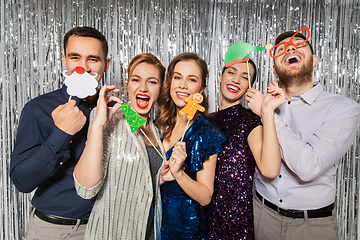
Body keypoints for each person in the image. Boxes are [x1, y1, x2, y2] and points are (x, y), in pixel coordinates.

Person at [246, 27, 360, 240]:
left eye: (298, 45)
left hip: (313, 226)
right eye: (281, 49)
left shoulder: (344, 108)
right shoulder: (257, 102)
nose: (290, 48)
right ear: (274, 69)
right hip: (262, 216)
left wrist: (267, 113)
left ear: (315, 60)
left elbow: (308, 167)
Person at [10, 26, 110, 240]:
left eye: (92, 59)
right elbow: (22, 181)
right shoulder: (38, 109)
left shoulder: (115, 110)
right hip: (55, 230)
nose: (82, 67)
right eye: (75, 57)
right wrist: (61, 134)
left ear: (106, 65)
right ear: (64, 60)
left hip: (105, 227)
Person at [73, 53, 166, 239]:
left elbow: (144, 183)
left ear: (161, 88)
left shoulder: (156, 131)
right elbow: (86, 189)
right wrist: (99, 125)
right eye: (136, 79)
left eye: (152, 82)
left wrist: (161, 178)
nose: (143, 88)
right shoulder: (110, 119)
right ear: (127, 84)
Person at [206, 50, 285, 239]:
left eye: (245, 77)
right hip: (203, 218)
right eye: (231, 72)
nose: (235, 80)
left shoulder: (250, 121)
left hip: (235, 224)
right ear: (220, 77)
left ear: (249, 87)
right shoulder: (205, 121)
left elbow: (270, 170)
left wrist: (266, 111)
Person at [156, 52, 226, 239]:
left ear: (201, 88)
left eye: (192, 79)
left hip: (184, 229)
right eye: (177, 77)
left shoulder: (205, 133)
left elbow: (205, 196)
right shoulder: (159, 123)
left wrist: (178, 174)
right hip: (152, 222)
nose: (182, 85)